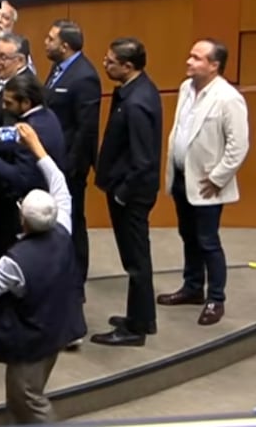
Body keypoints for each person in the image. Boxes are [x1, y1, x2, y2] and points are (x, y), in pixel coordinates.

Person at [0, 123, 85, 424]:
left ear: (22, 218)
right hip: (58, 329)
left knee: (27, 399)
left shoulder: (14, 261)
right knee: (23, 402)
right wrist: (38, 149)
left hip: (31, 340)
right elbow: (58, 181)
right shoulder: (63, 229)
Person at [160, 40, 249, 326]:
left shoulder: (228, 98)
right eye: (190, 56)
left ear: (214, 65)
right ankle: (192, 287)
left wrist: (218, 177)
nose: (189, 61)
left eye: (197, 58)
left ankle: (216, 298)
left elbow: (239, 145)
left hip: (207, 183)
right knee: (188, 236)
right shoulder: (186, 89)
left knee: (208, 241)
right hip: (182, 178)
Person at [92, 38, 162, 347]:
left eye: (110, 61)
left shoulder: (137, 103)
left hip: (131, 195)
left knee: (136, 262)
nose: (105, 65)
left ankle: (136, 328)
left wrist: (121, 193)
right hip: (126, 188)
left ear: (128, 66)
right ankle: (142, 317)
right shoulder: (134, 90)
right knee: (134, 259)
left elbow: (144, 159)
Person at [42, 20, 101, 309]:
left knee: (73, 223)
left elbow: (86, 129)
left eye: (51, 39)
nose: (46, 42)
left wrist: (71, 169)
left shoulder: (84, 76)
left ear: (65, 46)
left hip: (69, 168)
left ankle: (76, 286)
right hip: (52, 163)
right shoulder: (57, 68)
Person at [0, 72, 65, 262]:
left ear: (25, 102)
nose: (3, 107)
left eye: (9, 103)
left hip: (21, 209)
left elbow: (21, 177)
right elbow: (11, 137)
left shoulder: (34, 128)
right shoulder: (45, 116)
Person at [0, 33, 32, 131]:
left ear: (20, 61)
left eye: (3, 58)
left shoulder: (24, 88)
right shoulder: (5, 78)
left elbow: (11, 130)